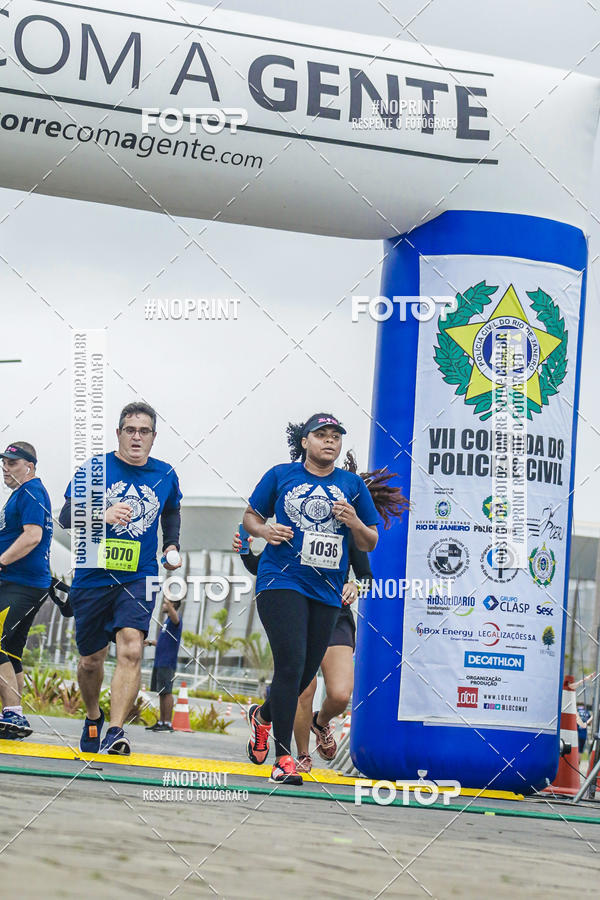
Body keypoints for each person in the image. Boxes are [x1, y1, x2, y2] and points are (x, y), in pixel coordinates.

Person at [234, 451, 407, 773]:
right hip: (290, 594)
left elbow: (366, 571)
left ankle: (279, 718)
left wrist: (355, 586)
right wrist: (248, 547)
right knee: (299, 677)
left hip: (332, 608)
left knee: (338, 692)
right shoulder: (293, 516)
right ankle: (293, 755)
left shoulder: (347, 526)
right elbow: (262, 561)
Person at [59, 402, 182, 755]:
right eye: (130, 430)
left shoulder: (165, 474)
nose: (137, 437)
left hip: (139, 575)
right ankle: (94, 717)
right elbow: (66, 514)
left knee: (131, 647)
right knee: (90, 661)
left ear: (154, 437)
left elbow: (171, 510)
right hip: (94, 574)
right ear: (118, 433)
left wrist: (171, 544)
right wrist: (103, 513)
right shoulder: (95, 468)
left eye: (144, 431)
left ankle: (115, 731)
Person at [0, 442, 54, 739]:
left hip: (21, 583)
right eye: (4, 463)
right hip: (24, 583)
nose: (5, 469)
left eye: (12, 463)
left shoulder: (31, 491)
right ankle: (13, 714)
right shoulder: (23, 495)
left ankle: (13, 714)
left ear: (29, 465)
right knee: (10, 651)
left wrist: (2, 560)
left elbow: (33, 536)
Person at [145, 589, 182, 732]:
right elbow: (162, 642)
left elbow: (176, 618)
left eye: (166, 603)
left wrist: (169, 602)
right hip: (160, 661)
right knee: (161, 692)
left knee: (167, 692)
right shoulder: (167, 622)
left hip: (168, 662)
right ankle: (161, 722)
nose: (163, 605)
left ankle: (167, 723)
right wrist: (149, 642)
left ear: (172, 604)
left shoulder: (175, 620)